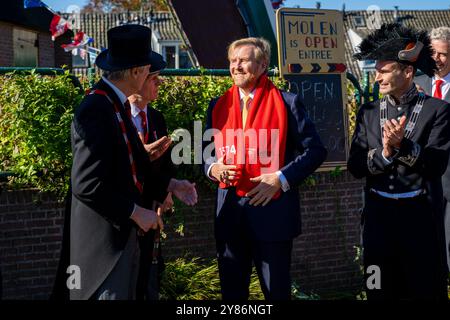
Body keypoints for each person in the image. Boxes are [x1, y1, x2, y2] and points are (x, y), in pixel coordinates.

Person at [68, 24, 191, 300]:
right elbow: (85, 184)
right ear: (136, 72)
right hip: (105, 248)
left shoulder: (114, 104)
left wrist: (171, 183)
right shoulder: (96, 109)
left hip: (122, 241)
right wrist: (136, 212)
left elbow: (130, 165)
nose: (152, 75)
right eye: (149, 69)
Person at [203, 37, 327, 300]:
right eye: (232, 61)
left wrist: (280, 178)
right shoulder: (217, 105)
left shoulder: (288, 103)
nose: (236, 66)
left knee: (276, 293)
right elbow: (207, 153)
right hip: (230, 216)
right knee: (232, 296)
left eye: (243, 61)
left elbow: (316, 151)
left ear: (261, 65)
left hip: (273, 215)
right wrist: (212, 168)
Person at [349, 23, 450, 300]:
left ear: (407, 72)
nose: (377, 77)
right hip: (377, 220)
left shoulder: (438, 110)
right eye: (376, 70)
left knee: (423, 289)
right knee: (377, 288)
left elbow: (435, 165)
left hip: (419, 219)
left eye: (383, 71)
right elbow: (355, 165)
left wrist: (403, 146)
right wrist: (385, 153)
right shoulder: (368, 112)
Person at [128, 52, 197, 300]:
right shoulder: (118, 117)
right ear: (138, 80)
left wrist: (170, 189)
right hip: (125, 215)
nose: (160, 83)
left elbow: (165, 164)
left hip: (152, 214)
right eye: (154, 78)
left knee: (149, 281)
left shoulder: (156, 117)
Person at [415, 27, 450, 271]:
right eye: (433, 53)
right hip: (421, 176)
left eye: (444, 54)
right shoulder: (414, 84)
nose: (437, 59)